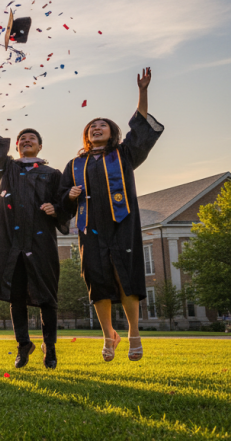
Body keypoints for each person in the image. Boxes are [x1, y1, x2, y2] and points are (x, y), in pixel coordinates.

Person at [59, 68, 163, 362]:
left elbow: (140, 126)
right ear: (87, 135)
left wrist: (142, 92)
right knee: (97, 282)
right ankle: (108, 335)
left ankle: (133, 333)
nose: (97, 127)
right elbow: (63, 198)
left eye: (103, 125)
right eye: (92, 126)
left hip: (122, 223)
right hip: (90, 228)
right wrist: (70, 195)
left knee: (126, 277)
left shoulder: (124, 154)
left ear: (112, 132)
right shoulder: (75, 163)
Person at [0, 91, 69, 369]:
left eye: (32, 138)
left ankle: (50, 348)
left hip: (41, 243)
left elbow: (64, 204)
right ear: (17, 147)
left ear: (40, 146)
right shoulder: (7, 169)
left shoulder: (53, 174)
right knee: (15, 295)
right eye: (22, 139)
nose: (27, 141)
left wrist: (56, 209)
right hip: (11, 243)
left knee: (47, 297)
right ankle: (23, 346)